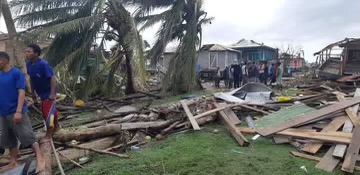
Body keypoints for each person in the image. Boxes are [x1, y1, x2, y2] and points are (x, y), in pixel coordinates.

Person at [0, 52, 45, 173]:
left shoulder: (16, 73)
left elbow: (21, 92)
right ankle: (13, 161)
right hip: (3, 113)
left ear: (3, 61)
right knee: (8, 138)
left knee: (27, 135)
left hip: (16, 111)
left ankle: (40, 158)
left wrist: (18, 111)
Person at [25, 44, 59, 139]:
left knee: (46, 113)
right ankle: (56, 126)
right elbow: (31, 78)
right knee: (51, 110)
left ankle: (49, 132)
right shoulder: (28, 64)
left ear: (36, 53)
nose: (26, 54)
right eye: (26, 51)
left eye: (29, 52)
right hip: (40, 92)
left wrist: (52, 93)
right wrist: (32, 93)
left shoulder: (43, 64)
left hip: (48, 91)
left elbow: (52, 78)